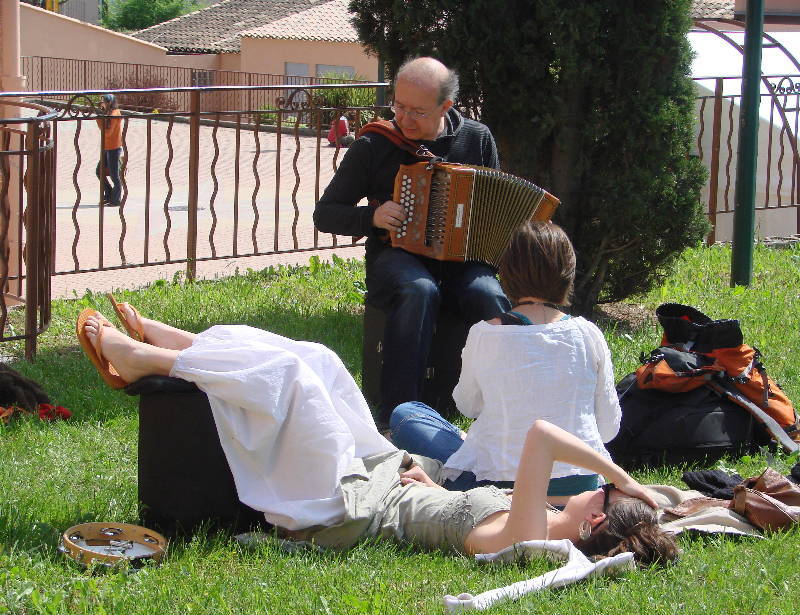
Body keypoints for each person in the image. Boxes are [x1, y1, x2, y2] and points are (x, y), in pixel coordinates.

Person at [75, 304, 679, 565]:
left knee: (293, 379)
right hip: (387, 471)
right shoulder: (543, 519)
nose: (592, 487)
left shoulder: (526, 535)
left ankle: (145, 360)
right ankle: (187, 346)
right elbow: (452, 510)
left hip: (350, 506)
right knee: (321, 359)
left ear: (597, 518)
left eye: (600, 495)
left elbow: (543, 436)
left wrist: (618, 474)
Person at [313, 57, 510, 429]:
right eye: (398, 106)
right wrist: (371, 217)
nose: (404, 119)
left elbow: (492, 205)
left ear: (445, 107)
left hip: (463, 261)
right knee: (419, 290)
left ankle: (501, 409)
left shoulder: (476, 138)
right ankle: (400, 415)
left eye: (417, 111)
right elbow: (325, 214)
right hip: (395, 256)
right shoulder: (373, 144)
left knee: (490, 297)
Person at [390, 222, 621, 501]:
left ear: (507, 271)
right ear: (568, 274)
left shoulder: (486, 333)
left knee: (406, 415)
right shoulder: (589, 334)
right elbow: (608, 428)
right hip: (581, 492)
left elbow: (468, 405)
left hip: (499, 492)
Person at [95, 93, 123, 207]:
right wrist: (100, 116)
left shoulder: (115, 114)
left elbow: (108, 133)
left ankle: (116, 200)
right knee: (99, 172)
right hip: (106, 148)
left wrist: (99, 120)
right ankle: (109, 194)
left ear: (110, 103)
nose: (104, 104)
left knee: (114, 176)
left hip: (114, 148)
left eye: (105, 102)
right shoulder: (108, 113)